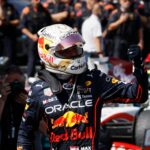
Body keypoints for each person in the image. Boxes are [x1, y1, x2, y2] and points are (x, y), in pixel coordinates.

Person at [17, 24, 148, 150]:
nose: (74, 54)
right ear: (49, 54)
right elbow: (25, 132)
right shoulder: (39, 88)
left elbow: (138, 95)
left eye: (76, 49)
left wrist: (138, 67)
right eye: (68, 51)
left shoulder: (96, 79)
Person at [0, 65, 27, 150]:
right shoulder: (2, 99)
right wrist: (3, 99)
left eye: (17, 82)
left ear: (24, 82)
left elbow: (44, 128)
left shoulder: (32, 98)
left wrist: (28, 105)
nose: (15, 86)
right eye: (11, 84)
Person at [81, 3, 106, 71]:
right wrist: (100, 54)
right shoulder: (96, 23)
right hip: (94, 55)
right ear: (99, 11)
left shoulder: (86, 21)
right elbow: (97, 39)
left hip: (85, 53)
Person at [0, 0, 19, 64]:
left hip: (8, 35)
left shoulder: (10, 7)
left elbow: (17, 21)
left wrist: (7, 22)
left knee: (10, 56)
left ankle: (9, 71)